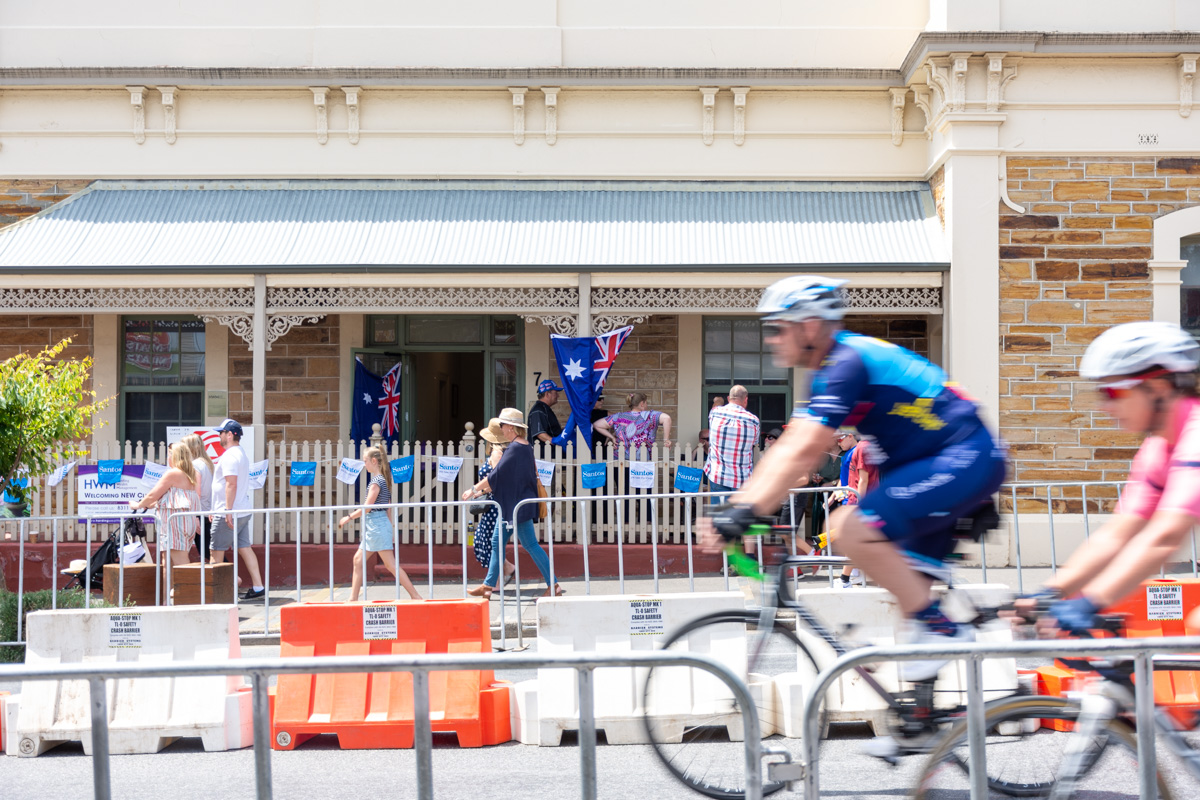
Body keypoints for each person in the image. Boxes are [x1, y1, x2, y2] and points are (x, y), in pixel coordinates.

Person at [705, 276, 1006, 680]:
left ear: (809, 326)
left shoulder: (847, 362)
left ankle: (942, 631)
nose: (772, 339)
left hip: (964, 456)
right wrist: (739, 506)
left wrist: (740, 510)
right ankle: (920, 723)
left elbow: (803, 451)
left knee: (847, 528)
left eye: (778, 328)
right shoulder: (829, 372)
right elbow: (789, 447)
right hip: (945, 459)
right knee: (910, 596)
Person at [1016, 322, 1200, 636]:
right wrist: (1049, 593)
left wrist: (1090, 601)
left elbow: (1165, 537)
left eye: (1113, 392)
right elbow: (1118, 534)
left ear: (1158, 388)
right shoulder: (1158, 447)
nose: (1105, 407)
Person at [462, 407, 561, 598]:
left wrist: (473, 490)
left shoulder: (515, 448)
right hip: (517, 506)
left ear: (512, 428)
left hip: (514, 507)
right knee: (504, 543)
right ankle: (489, 586)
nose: (501, 428)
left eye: (503, 425)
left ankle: (552, 585)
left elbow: (495, 476)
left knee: (520, 544)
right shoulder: (524, 447)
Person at [340, 446, 421, 602]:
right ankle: (353, 598)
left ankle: (415, 595)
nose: (364, 465)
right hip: (377, 525)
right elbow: (387, 507)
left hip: (376, 525)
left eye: (365, 461)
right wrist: (389, 528)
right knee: (359, 560)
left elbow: (367, 507)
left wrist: (349, 517)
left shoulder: (376, 482)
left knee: (390, 565)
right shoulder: (382, 480)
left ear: (374, 461)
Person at [209, 419, 267, 601]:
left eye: (221, 432)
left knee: (215, 553)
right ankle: (258, 586)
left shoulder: (230, 456)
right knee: (244, 547)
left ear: (229, 434)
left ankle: (215, 594)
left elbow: (230, 484)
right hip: (241, 510)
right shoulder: (240, 453)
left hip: (230, 512)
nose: (219, 435)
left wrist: (226, 510)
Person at [130, 442, 200, 567]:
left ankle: (187, 587)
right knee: (167, 561)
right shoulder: (192, 474)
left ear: (174, 456)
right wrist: (150, 504)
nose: (168, 458)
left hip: (174, 524)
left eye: (169, 455)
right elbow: (167, 498)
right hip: (185, 522)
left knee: (180, 564)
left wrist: (138, 505)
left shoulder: (173, 473)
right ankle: (169, 587)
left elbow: (152, 495)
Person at [470, 419, 516, 582]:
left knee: (488, 540)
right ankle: (507, 568)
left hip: (496, 504)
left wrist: (478, 490)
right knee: (487, 539)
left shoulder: (497, 452)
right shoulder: (500, 452)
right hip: (494, 503)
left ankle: (496, 580)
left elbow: (498, 479)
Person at [704, 385, 760, 501]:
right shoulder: (753, 420)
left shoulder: (716, 413)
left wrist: (718, 401)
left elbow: (716, 405)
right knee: (739, 517)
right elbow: (754, 443)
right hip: (742, 478)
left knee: (719, 516)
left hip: (718, 474)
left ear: (729, 398)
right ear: (746, 400)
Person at [592, 391, 673, 456]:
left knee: (621, 477)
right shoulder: (650, 416)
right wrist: (666, 440)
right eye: (646, 403)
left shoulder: (619, 417)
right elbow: (667, 418)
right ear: (642, 404)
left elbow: (597, 425)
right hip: (642, 460)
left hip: (621, 458)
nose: (646, 405)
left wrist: (612, 437)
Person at [181, 433, 214, 563]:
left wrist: (194, 516)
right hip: (207, 511)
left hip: (199, 512)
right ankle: (233, 577)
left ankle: (233, 577)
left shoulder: (195, 465)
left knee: (206, 550)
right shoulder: (208, 463)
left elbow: (196, 492)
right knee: (209, 550)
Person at [528, 379, 564, 452]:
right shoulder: (538, 410)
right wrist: (555, 441)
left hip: (550, 457)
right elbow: (539, 433)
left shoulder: (544, 409)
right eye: (556, 393)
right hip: (544, 458)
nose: (558, 396)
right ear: (547, 394)